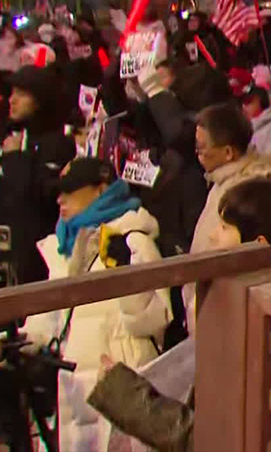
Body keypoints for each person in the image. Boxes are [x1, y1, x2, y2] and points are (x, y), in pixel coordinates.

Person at [86, 180, 271, 452]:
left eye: (225, 228)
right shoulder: (246, 314)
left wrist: (124, 394)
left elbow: (213, 442)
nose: (213, 235)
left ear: (258, 246)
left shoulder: (264, 333)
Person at [20, 158, 171, 451]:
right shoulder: (65, 246)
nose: (60, 198)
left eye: (70, 190)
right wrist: (16, 340)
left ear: (102, 189)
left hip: (119, 390)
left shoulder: (133, 240)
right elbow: (53, 317)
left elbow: (154, 321)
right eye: (58, 191)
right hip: (74, 389)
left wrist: (124, 275)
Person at [0, 65, 76, 284]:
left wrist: (15, 158)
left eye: (21, 94)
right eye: (12, 93)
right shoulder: (7, 137)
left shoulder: (57, 144)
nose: (12, 100)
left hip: (32, 262)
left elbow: (38, 198)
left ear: (40, 100)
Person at [188, 103, 271, 261]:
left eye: (201, 148)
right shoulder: (222, 178)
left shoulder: (244, 191)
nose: (196, 154)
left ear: (228, 152)